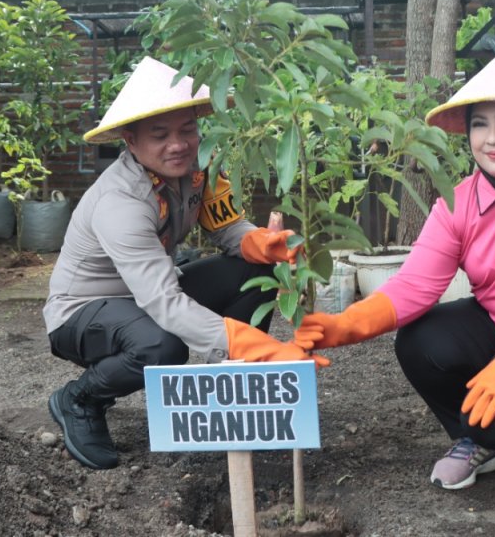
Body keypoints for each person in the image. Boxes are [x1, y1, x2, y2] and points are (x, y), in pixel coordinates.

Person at [295, 51, 495, 497]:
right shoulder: (460, 201)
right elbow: (415, 284)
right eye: (479, 124)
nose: (492, 139)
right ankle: (477, 437)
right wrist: (343, 326)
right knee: (420, 342)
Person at [43, 56, 325, 471]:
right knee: (162, 346)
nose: (177, 145)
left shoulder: (199, 169)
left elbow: (227, 227)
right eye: (160, 135)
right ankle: (80, 398)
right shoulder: (120, 203)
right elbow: (163, 303)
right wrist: (251, 343)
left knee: (254, 273)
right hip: (83, 312)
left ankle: (234, 389)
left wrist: (261, 244)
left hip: (150, 292)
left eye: (187, 130)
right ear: (130, 140)